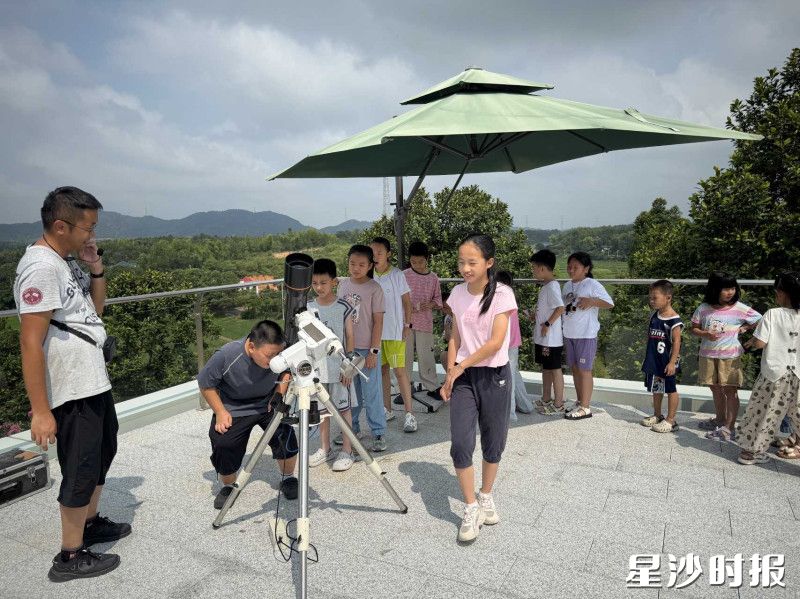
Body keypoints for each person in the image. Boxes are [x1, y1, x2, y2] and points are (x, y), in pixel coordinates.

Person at [14, 186, 130, 581]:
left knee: (102, 453)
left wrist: (95, 268)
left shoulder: (64, 263)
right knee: (80, 466)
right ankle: (69, 554)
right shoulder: (41, 267)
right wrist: (42, 410)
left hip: (93, 380)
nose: (91, 235)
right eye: (88, 228)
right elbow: (30, 342)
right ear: (61, 225)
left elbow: (94, 311)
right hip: (72, 389)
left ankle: (90, 523)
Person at [440, 233, 517, 543]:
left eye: (472, 262)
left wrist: (461, 365)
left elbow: (496, 342)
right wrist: (450, 371)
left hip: (494, 375)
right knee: (460, 442)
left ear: (489, 263)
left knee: (493, 439)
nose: (465, 268)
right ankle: (470, 507)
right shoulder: (457, 294)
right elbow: (455, 335)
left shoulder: (503, 295)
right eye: (461, 262)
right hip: (463, 378)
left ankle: (485, 494)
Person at [198, 320, 299, 509]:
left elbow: (286, 371)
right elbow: (205, 384)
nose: (275, 360)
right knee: (223, 442)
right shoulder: (227, 355)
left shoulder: (281, 352)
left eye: (278, 354)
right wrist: (220, 412)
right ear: (252, 347)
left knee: (285, 433)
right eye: (270, 356)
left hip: (268, 402)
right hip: (234, 407)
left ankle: (288, 478)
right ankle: (228, 486)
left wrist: (279, 394)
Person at [737, 272, 800, 463]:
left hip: (774, 373)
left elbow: (760, 344)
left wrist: (752, 340)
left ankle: (752, 452)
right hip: (797, 373)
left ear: (782, 293)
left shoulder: (773, 314)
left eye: (777, 291)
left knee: (762, 412)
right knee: (797, 413)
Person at [691, 271, 762, 442]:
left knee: (730, 390)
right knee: (715, 387)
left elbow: (760, 319)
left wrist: (746, 328)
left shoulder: (739, 308)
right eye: (725, 288)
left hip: (730, 356)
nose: (730, 292)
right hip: (708, 355)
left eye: (732, 288)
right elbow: (694, 328)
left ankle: (729, 428)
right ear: (715, 289)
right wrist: (705, 334)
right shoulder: (704, 308)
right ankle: (720, 419)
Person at [336, 244, 388, 452]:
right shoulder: (343, 285)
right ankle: (352, 429)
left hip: (368, 349)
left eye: (361, 264)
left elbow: (378, 322)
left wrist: (374, 351)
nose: (356, 268)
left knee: (372, 392)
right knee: (350, 391)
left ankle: (378, 433)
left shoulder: (375, 289)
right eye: (352, 263)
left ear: (370, 266)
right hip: (347, 348)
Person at [306, 258, 356, 472]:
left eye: (323, 283)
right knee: (322, 412)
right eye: (315, 283)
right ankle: (324, 448)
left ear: (334, 282)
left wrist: (349, 365)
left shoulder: (344, 306)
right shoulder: (308, 308)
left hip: (339, 369)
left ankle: (348, 450)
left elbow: (350, 336)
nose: (319, 287)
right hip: (318, 370)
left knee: (344, 411)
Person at [370, 237, 418, 433]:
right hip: (375, 334)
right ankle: (387, 409)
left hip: (395, 332)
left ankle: (410, 414)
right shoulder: (369, 274)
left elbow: (407, 301)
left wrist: (407, 323)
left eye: (380, 252)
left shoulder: (397, 275)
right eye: (372, 252)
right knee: (382, 372)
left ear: (388, 254)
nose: (376, 256)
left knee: (399, 372)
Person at [561, 252, 614, 420]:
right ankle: (579, 401)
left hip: (586, 334)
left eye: (575, 267)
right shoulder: (567, 285)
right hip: (569, 333)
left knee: (585, 370)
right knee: (575, 369)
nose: (571, 270)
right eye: (569, 266)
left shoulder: (592, 284)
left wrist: (592, 301)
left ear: (586, 269)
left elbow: (609, 303)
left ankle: (586, 407)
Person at [639, 280, 683, 433]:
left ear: (668, 298)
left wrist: (672, 362)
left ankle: (671, 420)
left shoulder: (674, 320)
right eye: (650, 298)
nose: (651, 301)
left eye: (654, 298)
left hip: (667, 361)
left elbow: (677, 342)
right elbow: (650, 338)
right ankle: (657, 415)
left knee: (671, 389)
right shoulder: (655, 316)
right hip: (655, 360)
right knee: (656, 388)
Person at [403, 241, 443, 396]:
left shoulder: (433, 278)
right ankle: (403, 387)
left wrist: (430, 304)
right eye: (413, 262)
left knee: (426, 355)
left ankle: (431, 386)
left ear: (427, 259)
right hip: (405, 322)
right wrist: (406, 306)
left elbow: (438, 299)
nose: (417, 265)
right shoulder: (404, 275)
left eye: (420, 261)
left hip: (425, 322)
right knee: (404, 357)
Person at [529, 249, 566, 416]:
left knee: (554, 368)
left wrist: (547, 324)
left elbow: (560, 308)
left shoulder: (552, 287)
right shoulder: (546, 287)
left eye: (534, 268)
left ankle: (558, 403)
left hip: (551, 339)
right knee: (546, 367)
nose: (533, 271)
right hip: (544, 338)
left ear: (542, 269)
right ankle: (545, 398)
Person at [495, 271, 535, 420]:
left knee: (508, 377)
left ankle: (510, 413)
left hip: (504, 342)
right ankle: (526, 405)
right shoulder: (511, 295)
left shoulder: (500, 296)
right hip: (513, 342)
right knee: (513, 374)